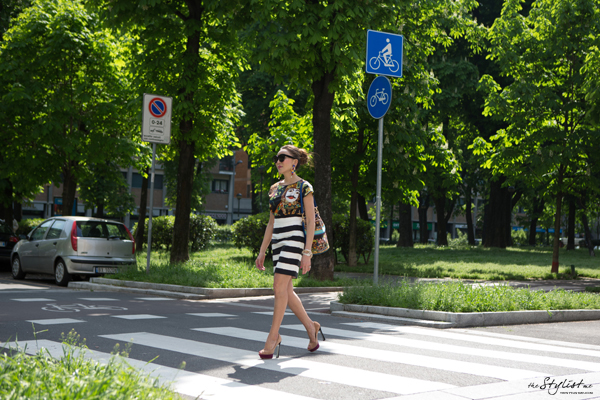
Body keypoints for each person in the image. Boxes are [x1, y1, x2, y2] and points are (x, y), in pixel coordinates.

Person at [255, 145, 325, 359]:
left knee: (278, 286)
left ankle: (273, 337)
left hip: (295, 239)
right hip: (278, 240)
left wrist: (307, 252)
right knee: (286, 290)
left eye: (283, 157)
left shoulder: (304, 186)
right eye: (277, 157)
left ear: (294, 161)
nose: (278, 161)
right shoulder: (274, 188)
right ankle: (311, 328)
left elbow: (311, 220)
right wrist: (262, 251)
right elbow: (271, 222)